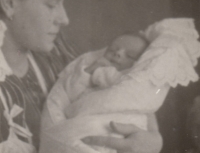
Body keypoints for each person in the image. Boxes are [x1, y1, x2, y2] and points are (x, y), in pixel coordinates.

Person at [0, 0, 164, 153]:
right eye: (52, 4)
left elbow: (124, 88)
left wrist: (152, 137)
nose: (64, 19)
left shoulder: (56, 51)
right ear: (9, 2)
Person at [40, 18, 200, 153]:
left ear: (139, 65)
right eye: (113, 49)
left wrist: (98, 74)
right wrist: (89, 71)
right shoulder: (91, 69)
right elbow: (70, 93)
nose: (118, 54)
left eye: (130, 55)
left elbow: (134, 101)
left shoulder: (127, 79)